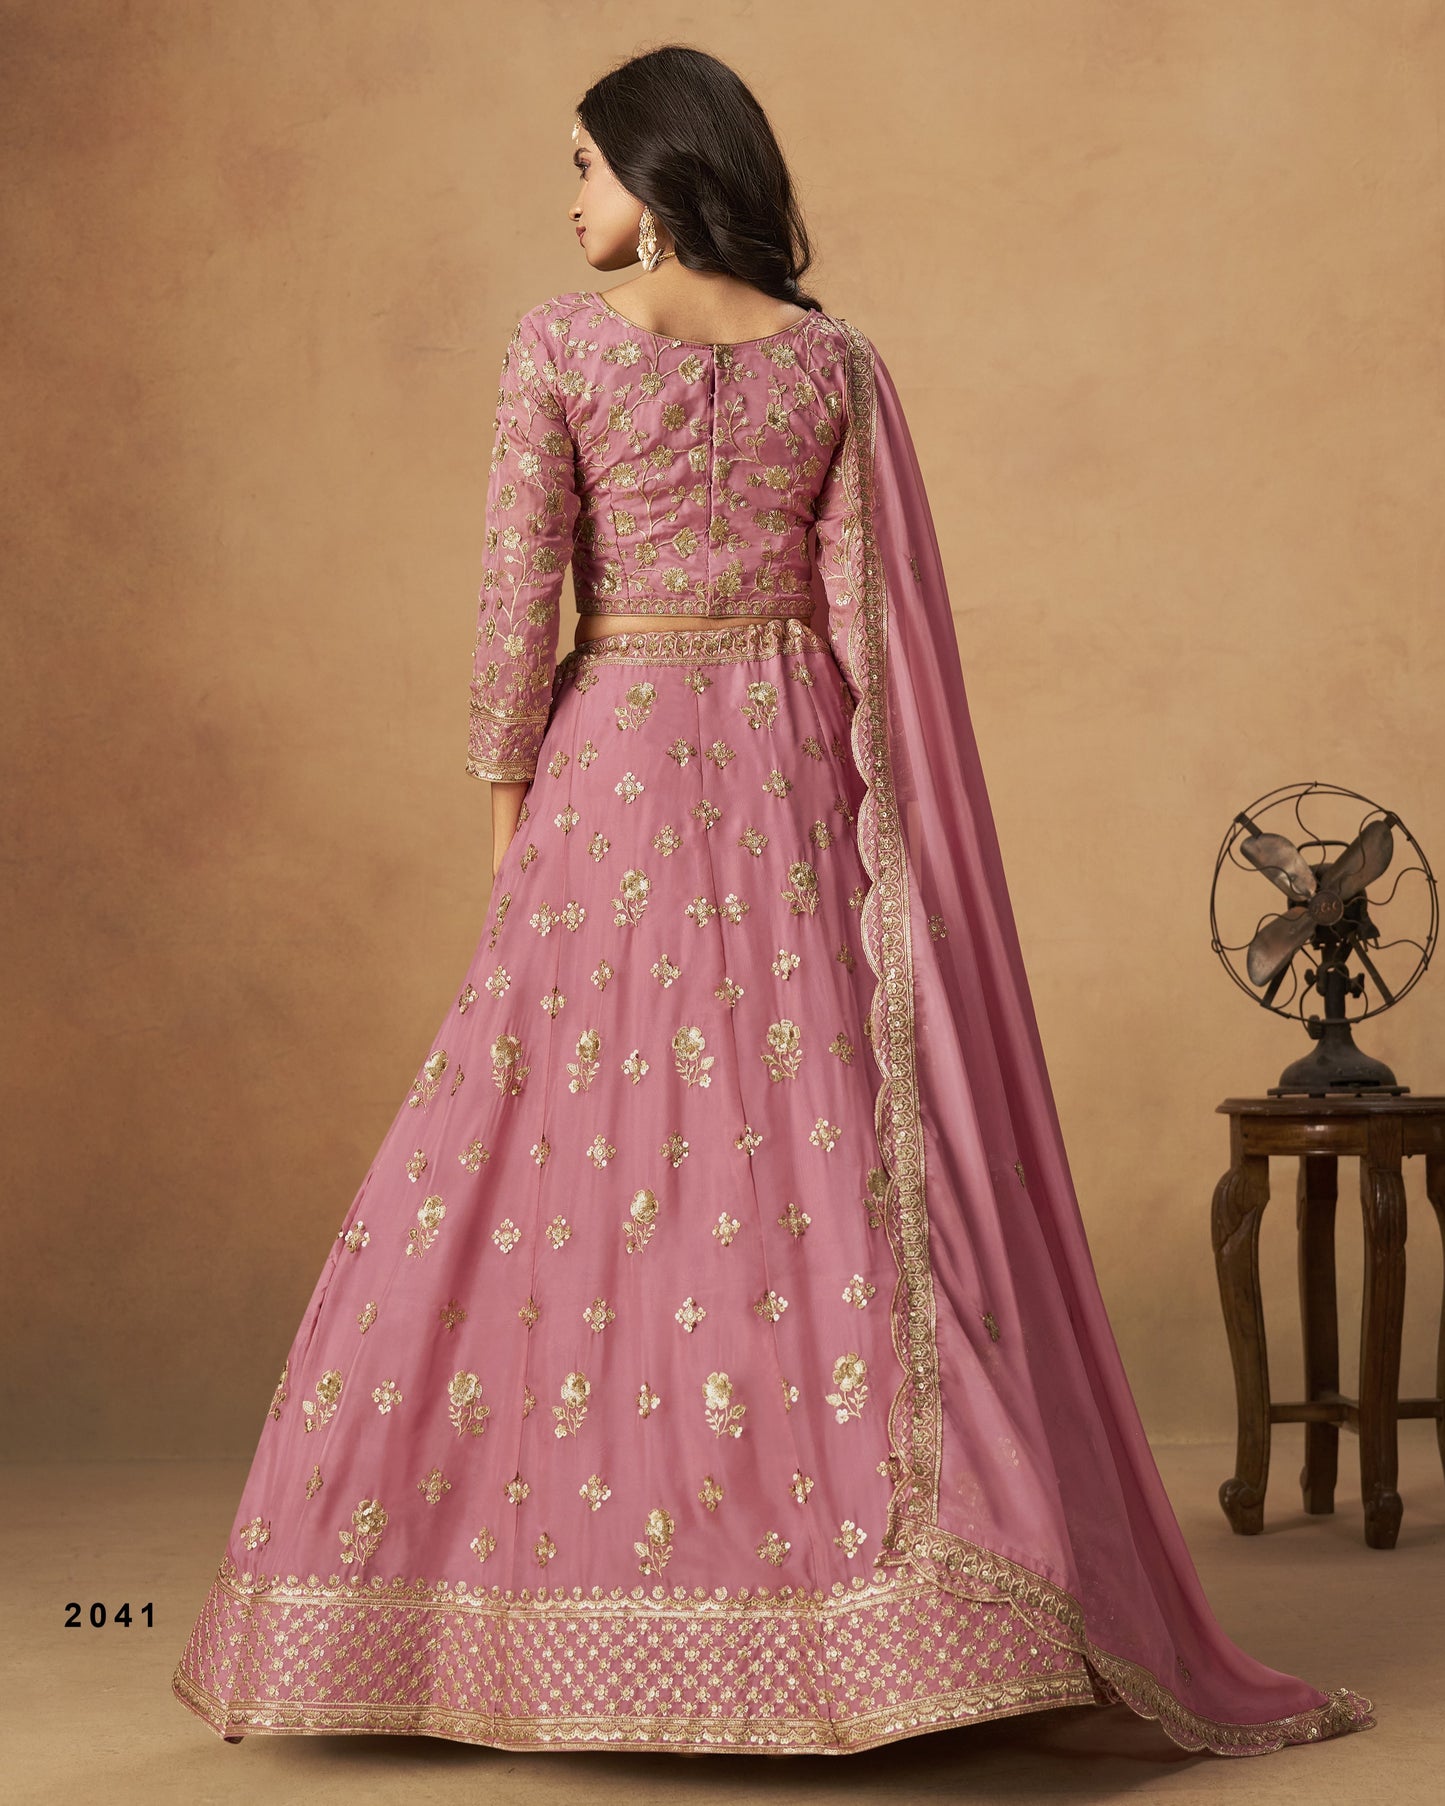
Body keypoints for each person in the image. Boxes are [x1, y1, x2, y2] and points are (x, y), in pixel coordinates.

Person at [171, 44, 1376, 1758]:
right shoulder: (834, 363)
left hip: (617, 768)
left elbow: (520, 611)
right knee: (809, 1154)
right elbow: (871, 632)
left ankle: (531, 1601)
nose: (569, 201)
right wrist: (888, 839)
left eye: (583, 169)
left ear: (659, 190)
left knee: (571, 1158)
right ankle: (873, 1601)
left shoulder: (559, 351)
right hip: (798, 777)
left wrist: (507, 821)